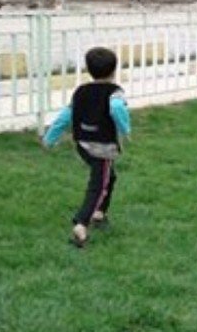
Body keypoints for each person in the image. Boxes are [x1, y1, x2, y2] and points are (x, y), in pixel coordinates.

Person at [42, 47, 131, 248]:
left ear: (89, 70)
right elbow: (117, 108)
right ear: (113, 71)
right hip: (103, 146)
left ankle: (99, 214)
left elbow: (66, 116)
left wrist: (50, 138)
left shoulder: (81, 91)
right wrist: (125, 129)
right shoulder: (115, 92)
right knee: (98, 185)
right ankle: (81, 224)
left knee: (110, 177)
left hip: (82, 144)